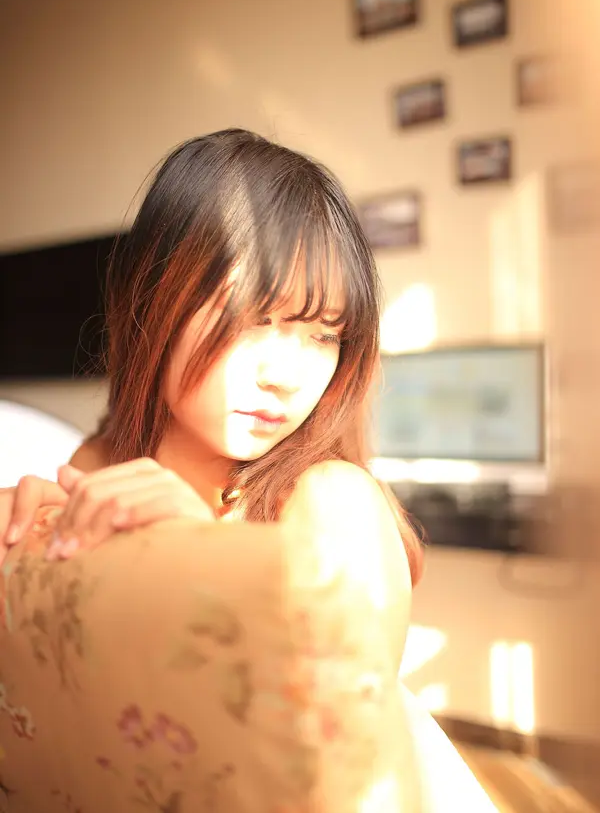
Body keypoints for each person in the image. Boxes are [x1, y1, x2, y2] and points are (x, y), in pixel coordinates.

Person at [0, 127, 422, 588]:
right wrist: (31, 552)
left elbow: (348, 636)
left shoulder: (332, 502)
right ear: (155, 300)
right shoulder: (98, 465)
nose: (285, 378)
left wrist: (203, 551)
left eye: (324, 335)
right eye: (253, 319)